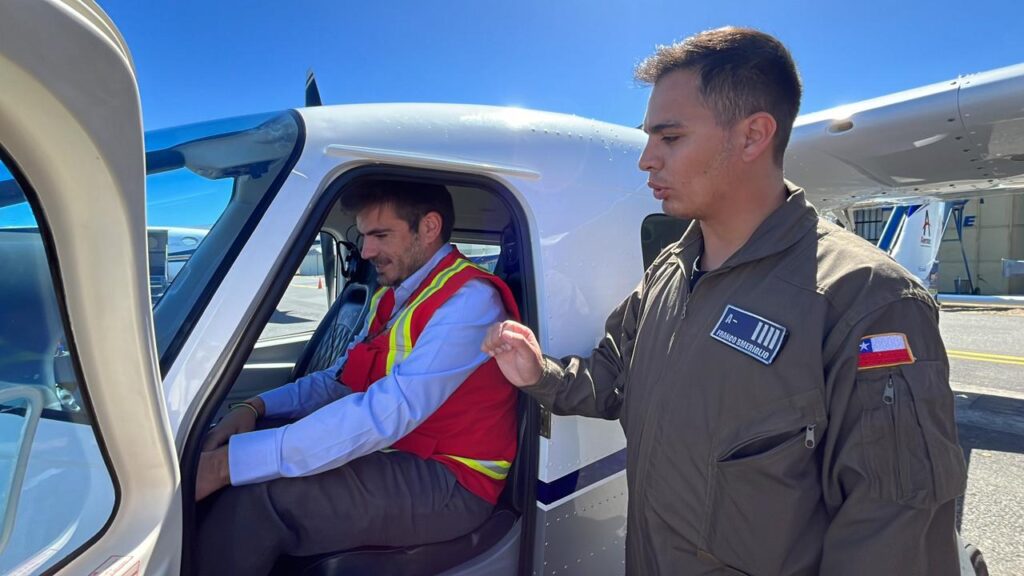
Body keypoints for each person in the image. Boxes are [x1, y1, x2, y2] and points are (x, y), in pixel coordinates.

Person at [483, 27, 967, 575]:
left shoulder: (867, 301)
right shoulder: (668, 275)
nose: (646, 160)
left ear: (752, 136)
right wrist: (539, 374)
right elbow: (613, 378)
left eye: (669, 137)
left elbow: (892, 535)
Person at [195, 180, 520, 575]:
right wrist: (255, 407)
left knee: (260, 494)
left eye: (380, 236)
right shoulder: (394, 297)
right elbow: (339, 381)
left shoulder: (469, 301)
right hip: (399, 449)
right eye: (363, 236)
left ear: (429, 228)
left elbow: (386, 413)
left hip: (453, 480)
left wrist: (225, 467)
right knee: (245, 446)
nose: (365, 251)